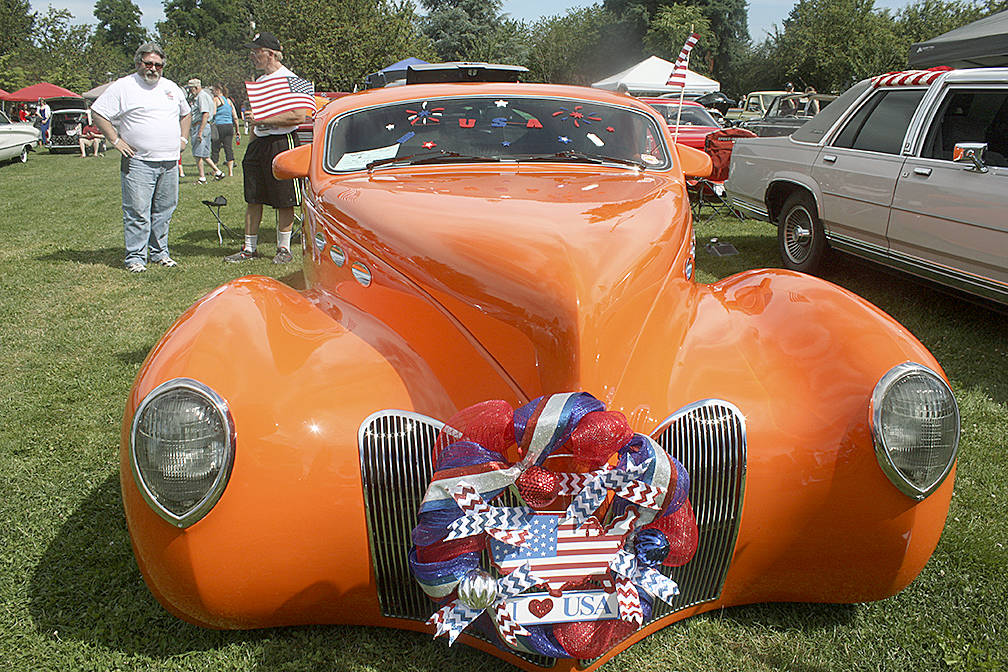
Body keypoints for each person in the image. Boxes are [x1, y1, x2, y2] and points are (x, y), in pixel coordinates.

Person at [91, 41, 191, 273]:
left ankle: (160, 253)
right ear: (138, 63)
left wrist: (183, 140)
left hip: (168, 161)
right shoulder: (123, 86)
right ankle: (135, 257)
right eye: (149, 63)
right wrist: (115, 140)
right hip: (138, 162)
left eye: (158, 65)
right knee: (137, 211)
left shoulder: (171, 87)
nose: (153, 68)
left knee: (165, 210)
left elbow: (186, 114)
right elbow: (98, 112)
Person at [225, 31, 313, 264]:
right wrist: (252, 143)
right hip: (260, 143)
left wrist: (264, 120)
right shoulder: (260, 83)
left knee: (284, 198)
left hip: (283, 142)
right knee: (253, 197)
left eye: (256, 51)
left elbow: (298, 116)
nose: (252, 56)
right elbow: (256, 119)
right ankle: (249, 248)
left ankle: (283, 248)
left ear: (271, 53)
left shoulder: (293, 80)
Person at [185, 78, 224, 183]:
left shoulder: (201, 97)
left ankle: (202, 178)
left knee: (198, 154)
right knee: (204, 154)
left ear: (196, 87)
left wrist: (200, 132)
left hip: (200, 126)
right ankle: (218, 172)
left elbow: (205, 114)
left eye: (191, 88)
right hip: (202, 126)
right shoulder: (203, 96)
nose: (190, 91)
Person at [210, 82, 240, 176]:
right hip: (229, 126)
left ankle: (215, 169)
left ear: (218, 90)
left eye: (213, 90)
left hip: (219, 126)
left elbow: (213, 113)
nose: (212, 92)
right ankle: (230, 172)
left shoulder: (216, 99)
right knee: (228, 148)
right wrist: (237, 130)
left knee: (215, 148)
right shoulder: (229, 101)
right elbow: (235, 117)